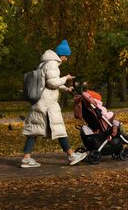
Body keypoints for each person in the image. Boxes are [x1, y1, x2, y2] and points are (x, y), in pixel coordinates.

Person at [20, 39, 87, 168]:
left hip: (40, 102)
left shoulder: (43, 63)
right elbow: (53, 83)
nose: (66, 59)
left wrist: (66, 88)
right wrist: (65, 78)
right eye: (66, 56)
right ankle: (71, 156)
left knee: (34, 130)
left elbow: (47, 83)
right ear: (62, 55)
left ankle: (26, 158)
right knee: (59, 128)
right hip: (48, 103)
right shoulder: (52, 64)